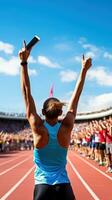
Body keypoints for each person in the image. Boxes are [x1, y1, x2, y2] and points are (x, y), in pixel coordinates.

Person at [19, 41, 92, 200]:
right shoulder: (66, 127)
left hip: (42, 188)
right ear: (60, 112)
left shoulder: (38, 128)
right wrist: (84, 70)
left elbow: (26, 93)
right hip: (63, 187)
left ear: (43, 112)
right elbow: (76, 96)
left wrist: (24, 62)